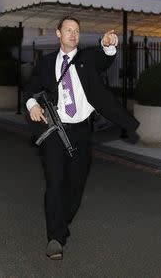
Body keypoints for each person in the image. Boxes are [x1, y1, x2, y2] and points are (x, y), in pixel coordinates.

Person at [23, 16, 140, 260]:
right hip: (55, 130)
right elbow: (31, 86)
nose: (73, 34)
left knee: (76, 185)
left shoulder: (87, 58)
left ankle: (61, 221)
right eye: (68, 30)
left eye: (76, 31)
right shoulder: (45, 63)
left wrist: (108, 44)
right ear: (58, 34)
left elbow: (105, 58)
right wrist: (32, 104)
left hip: (81, 131)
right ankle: (55, 237)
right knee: (54, 182)